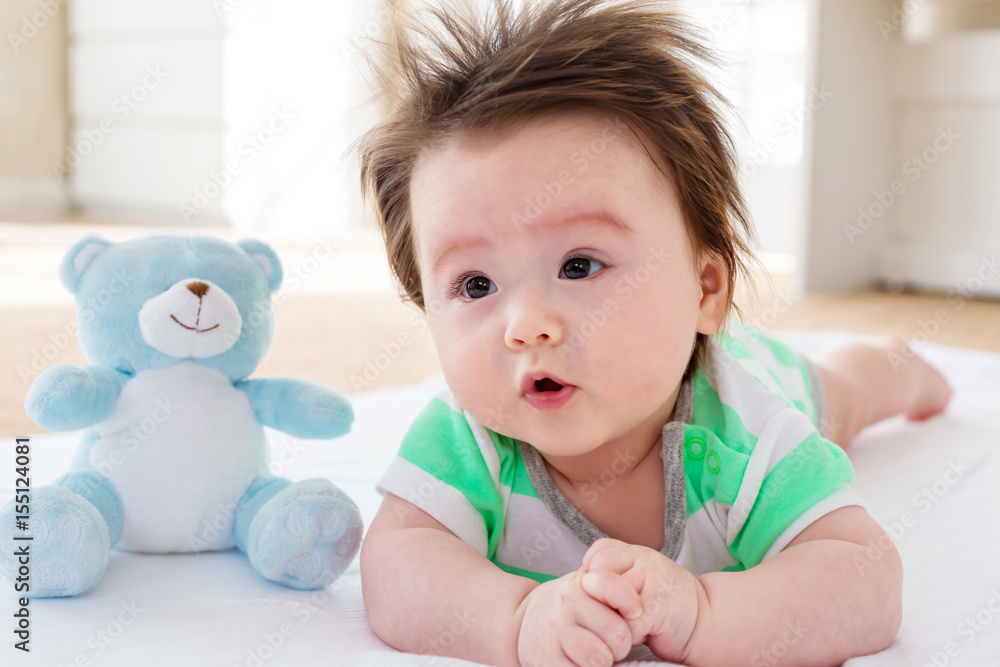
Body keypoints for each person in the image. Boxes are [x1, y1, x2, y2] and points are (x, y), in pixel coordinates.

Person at [352, 1, 953, 664]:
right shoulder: (467, 438)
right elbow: (395, 563)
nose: (525, 327)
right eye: (475, 285)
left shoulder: (752, 432)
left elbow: (864, 577)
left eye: (578, 265)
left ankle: (893, 363)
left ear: (705, 290)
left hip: (776, 377)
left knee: (842, 394)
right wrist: (517, 617)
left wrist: (705, 614)